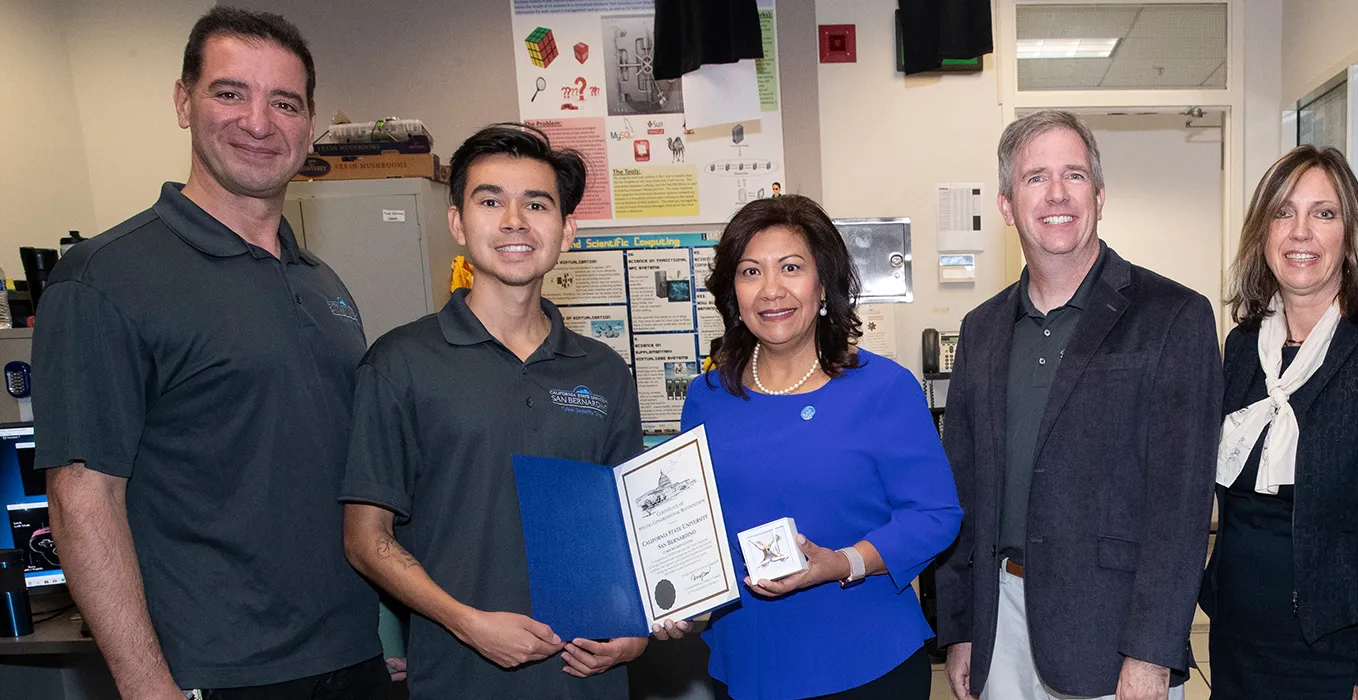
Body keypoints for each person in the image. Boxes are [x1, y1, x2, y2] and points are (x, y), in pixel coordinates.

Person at [30, 8, 388, 699]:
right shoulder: (105, 279)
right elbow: (82, 500)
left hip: (352, 660)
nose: (259, 121)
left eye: (284, 102)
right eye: (230, 92)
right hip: (216, 673)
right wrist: (146, 686)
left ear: (308, 126)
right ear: (182, 101)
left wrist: (384, 632)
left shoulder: (323, 284)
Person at [337, 124, 650, 698]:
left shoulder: (602, 372)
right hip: (460, 677)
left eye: (537, 203)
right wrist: (468, 623)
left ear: (567, 229)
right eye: (490, 200)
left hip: (588, 682)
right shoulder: (401, 362)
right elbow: (365, 538)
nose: (514, 220)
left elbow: (636, 524)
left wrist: (639, 632)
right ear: (457, 222)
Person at [935, 110, 1222, 700]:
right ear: (1008, 205)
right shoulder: (981, 329)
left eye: (1073, 174)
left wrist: (1151, 650)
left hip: (1113, 637)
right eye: (1035, 178)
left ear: (1099, 194)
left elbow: (1182, 504)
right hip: (1001, 623)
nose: (1057, 193)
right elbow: (962, 492)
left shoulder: (1173, 317)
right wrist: (961, 627)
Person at [655, 194, 962, 700]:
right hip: (747, 657)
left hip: (865, 659)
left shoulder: (883, 387)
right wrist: (677, 597)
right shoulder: (706, 398)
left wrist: (842, 562)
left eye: (791, 268)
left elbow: (934, 515)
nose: (771, 290)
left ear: (823, 283)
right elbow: (690, 523)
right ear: (733, 292)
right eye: (751, 272)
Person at [1200, 146, 1358, 699]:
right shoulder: (1241, 348)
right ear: (1262, 234)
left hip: (1337, 653)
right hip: (1237, 642)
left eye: (1324, 214)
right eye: (1283, 213)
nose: (1300, 233)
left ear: (1351, 234)